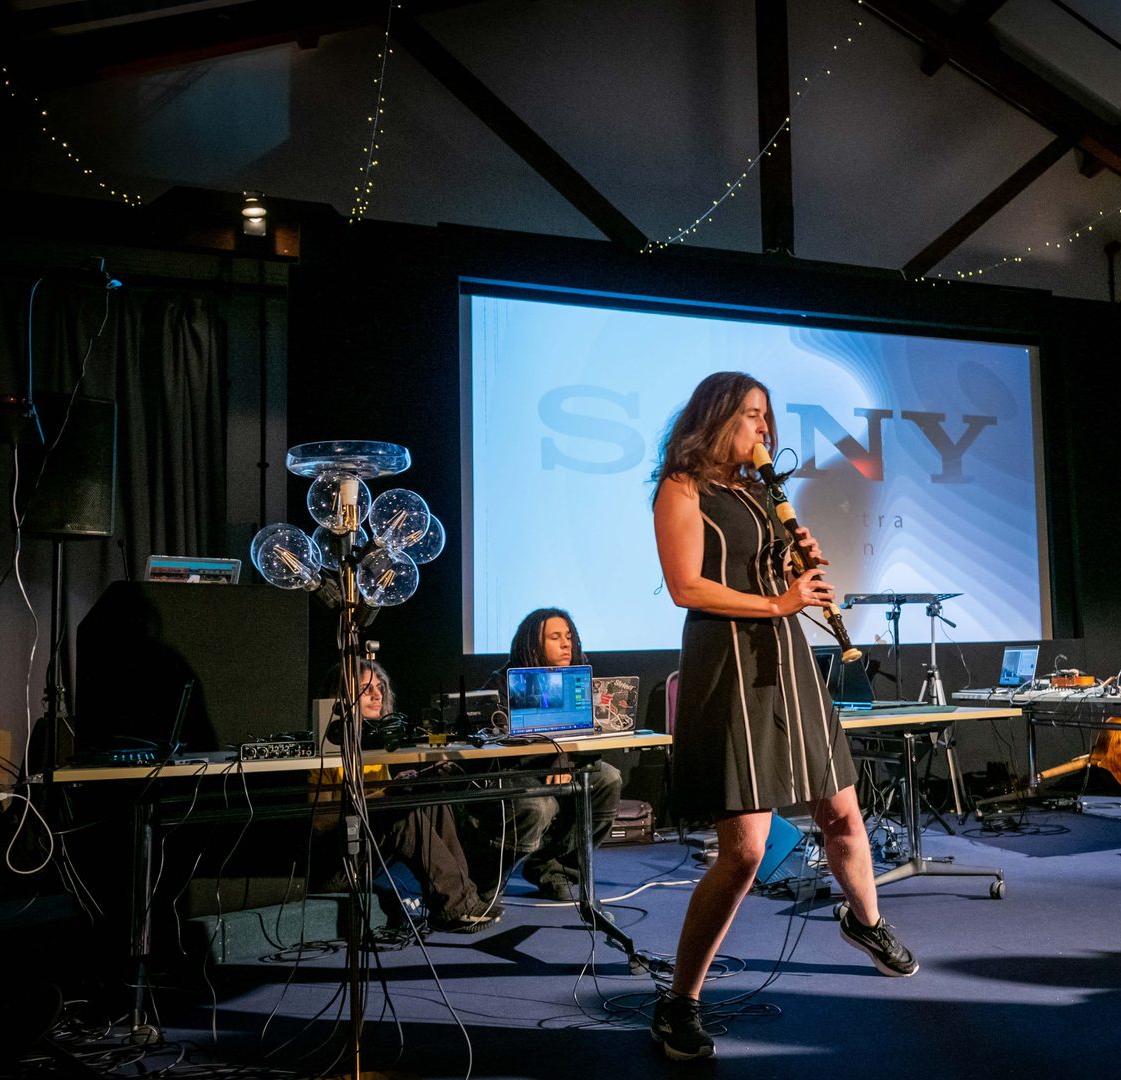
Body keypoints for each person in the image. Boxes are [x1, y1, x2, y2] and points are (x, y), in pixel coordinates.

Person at [648, 371, 917, 1062]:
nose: (764, 429)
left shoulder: (762, 493)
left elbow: (773, 576)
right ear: (715, 418)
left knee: (843, 814)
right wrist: (779, 601)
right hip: (730, 665)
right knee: (743, 850)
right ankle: (680, 1002)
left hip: (785, 659)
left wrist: (800, 568)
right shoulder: (683, 488)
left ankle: (868, 921)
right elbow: (685, 585)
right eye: (752, 415)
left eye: (767, 418)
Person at [319, 659, 503, 934]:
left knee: (428, 796)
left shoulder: (372, 744)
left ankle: (463, 902)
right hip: (337, 864)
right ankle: (457, 906)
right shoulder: (323, 749)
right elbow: (321, 823)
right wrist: (387, 792)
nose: (377, 695)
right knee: (403, 812)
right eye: (365, 689)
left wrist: (422, 778)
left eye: (379, 687)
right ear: (340, 697)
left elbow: (377, 799)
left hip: (368, 848)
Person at [475, 608, 624, 902]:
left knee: (608, 779)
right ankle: (483, 882)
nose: (567, 643)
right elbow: (498, 748)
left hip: (562, 768)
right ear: (533, 644)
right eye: (556, 637)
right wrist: (556, 761)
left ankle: (557, 870)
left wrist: (565, 761)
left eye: (569, 636)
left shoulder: (578, 679)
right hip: (515, 774)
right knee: (538, 804)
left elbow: (589, 739)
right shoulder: (503, 684)